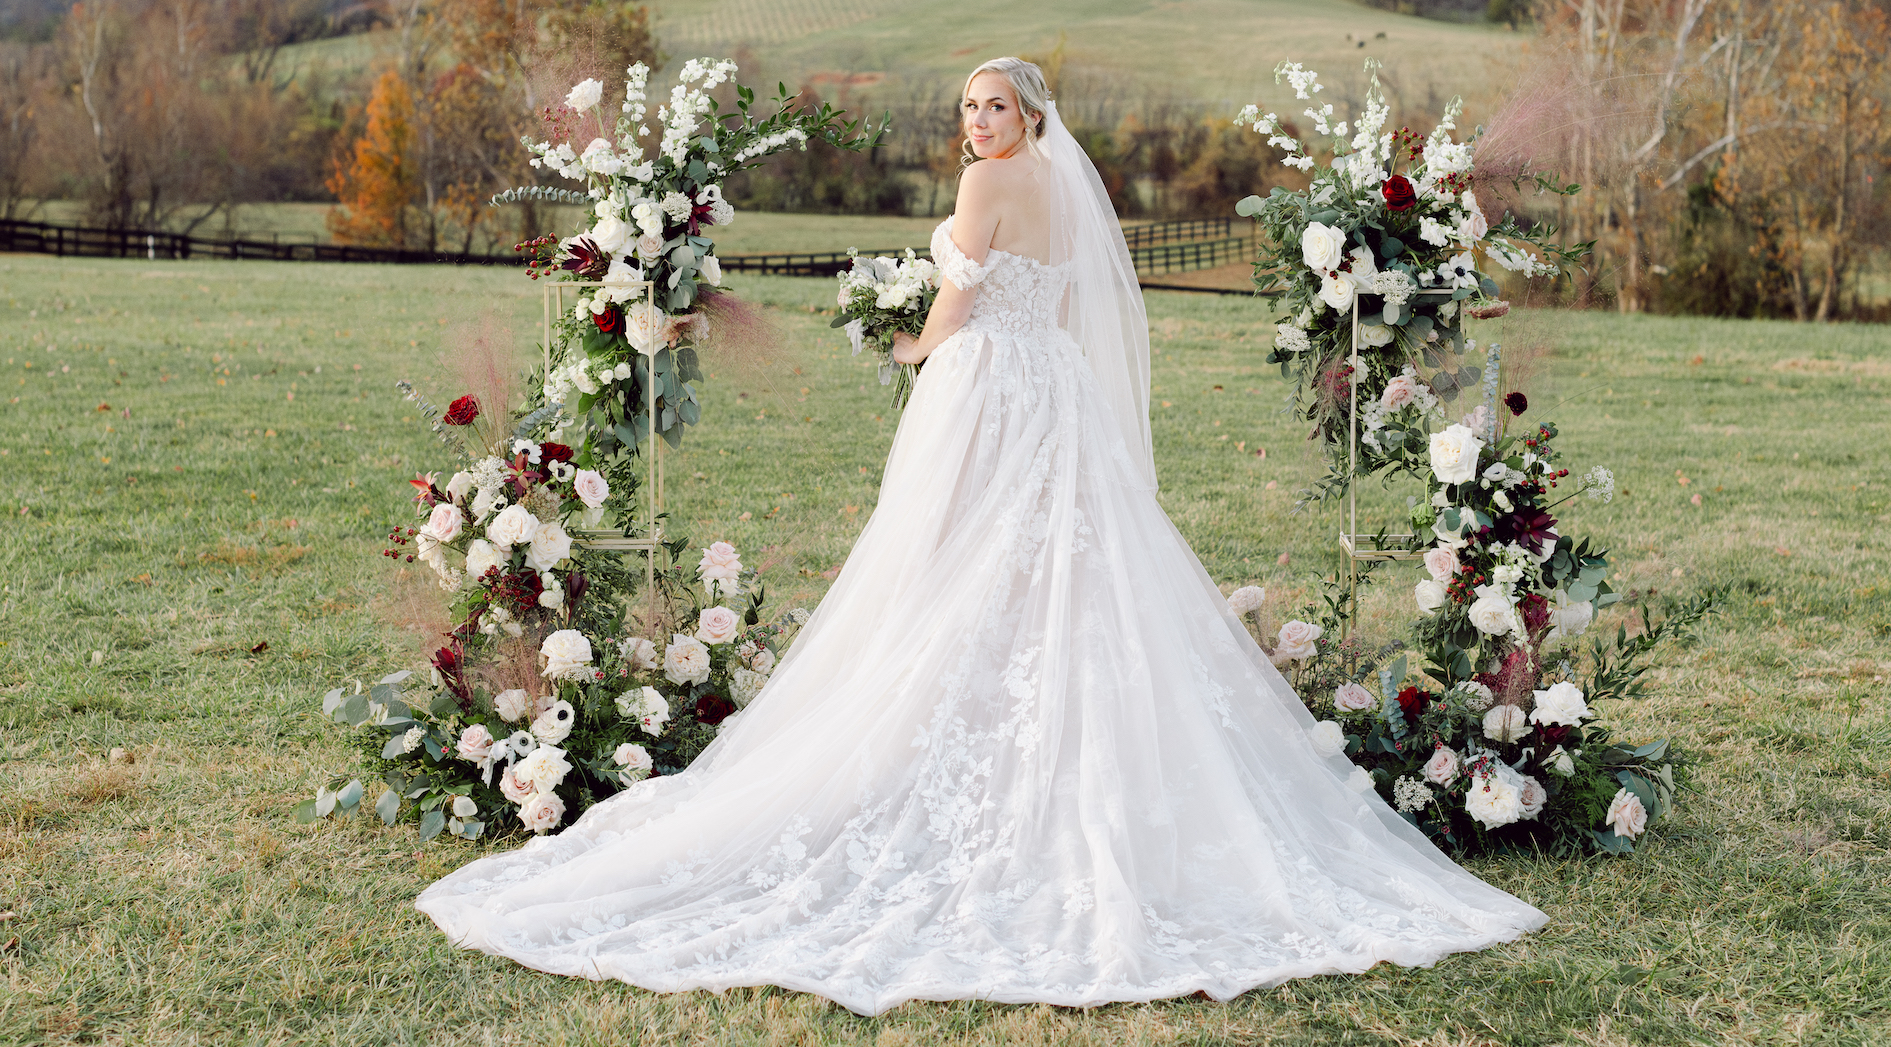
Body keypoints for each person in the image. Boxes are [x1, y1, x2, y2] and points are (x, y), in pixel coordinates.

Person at [417, 57, 1544, 1013]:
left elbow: (957, 301)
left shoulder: (988, 184)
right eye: (966, 108)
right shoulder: (1058, 187)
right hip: (1051, 387)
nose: (975, 122)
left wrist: (914, 348)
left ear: (1028, 117)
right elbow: (1053, 305)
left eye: (992, 106)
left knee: (948, 558)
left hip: (988, 386)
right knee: (1060, 559)